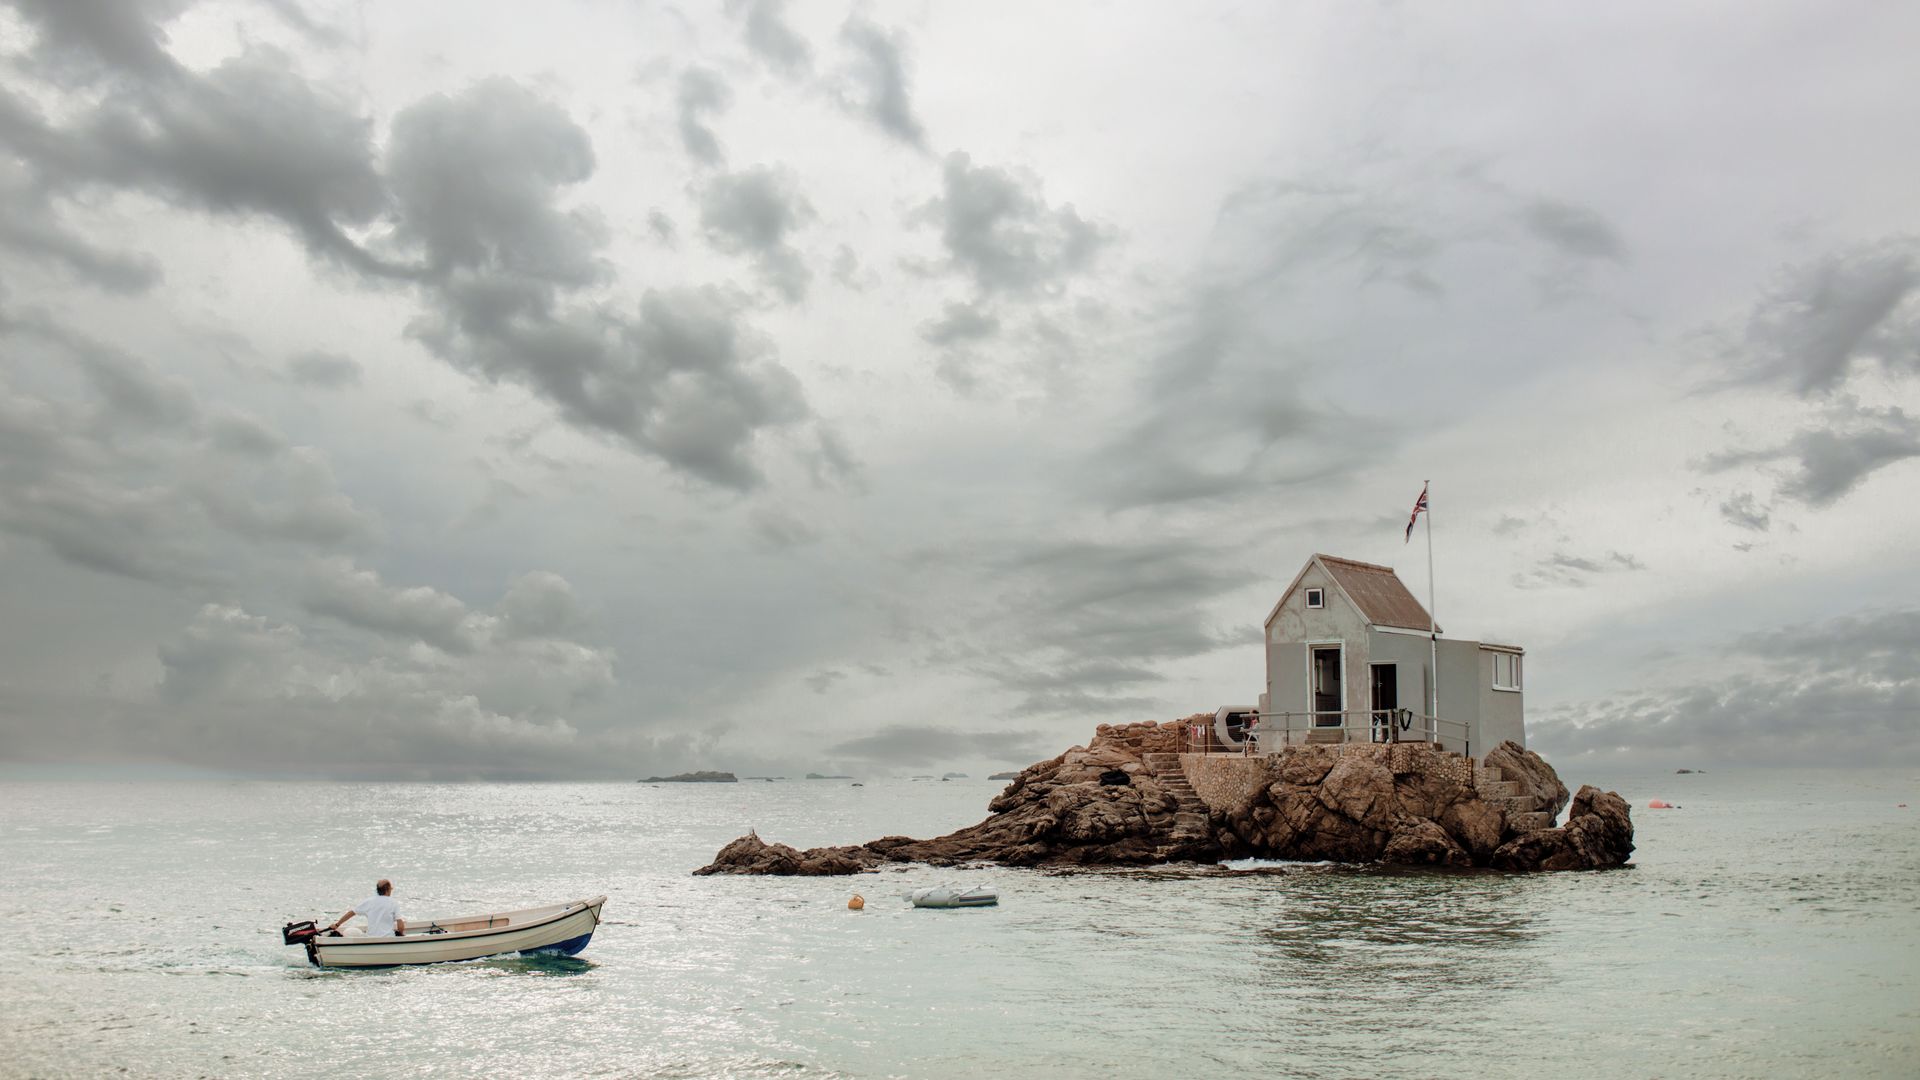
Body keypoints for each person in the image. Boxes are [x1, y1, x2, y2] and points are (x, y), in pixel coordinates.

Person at [328, 878, 407, 937]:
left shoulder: (369, 901)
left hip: (371, 937)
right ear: (387, 890)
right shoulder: (393, 903)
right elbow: (400, 923)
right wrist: (401, 934)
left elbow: (351, 913)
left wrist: (337, 925)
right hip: (388, 937)